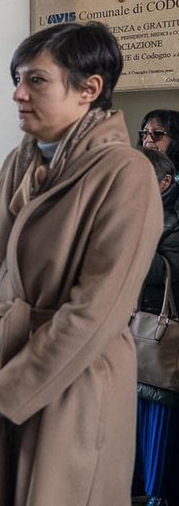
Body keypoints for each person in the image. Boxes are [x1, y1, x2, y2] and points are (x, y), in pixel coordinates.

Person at [0, 22, 161, 505]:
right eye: (16, 80)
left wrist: (5, 394)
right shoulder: (17, 163)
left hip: (72, 383)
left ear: (90, 89)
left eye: (36, 80)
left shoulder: (127, 174)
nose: (18, 94)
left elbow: (96, 311)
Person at [132, 146, 179, 506]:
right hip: (132, 342)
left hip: (159, 343)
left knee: (159, 443)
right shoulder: (136, 212)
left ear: (165, 181)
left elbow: (168, 272)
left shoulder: (173, 219)